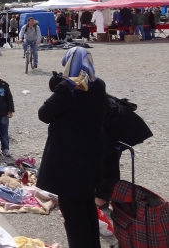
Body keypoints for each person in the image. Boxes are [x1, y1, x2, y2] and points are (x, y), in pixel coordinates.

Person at [36, 47, 106, 248]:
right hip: (92, 154)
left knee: (73, 210)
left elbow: (44, 114)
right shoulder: (98, 85)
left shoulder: (68, 88)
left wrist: (60, 87)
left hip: (69, 158)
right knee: (86, 204)